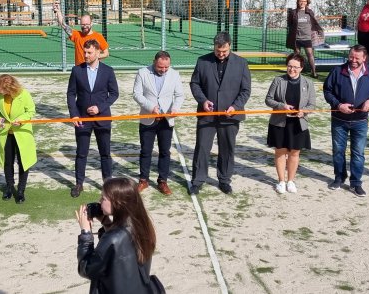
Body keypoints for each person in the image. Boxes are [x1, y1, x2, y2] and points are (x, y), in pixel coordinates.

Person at [189, 32, 251, 195]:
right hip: (207, 115)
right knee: (202, 147)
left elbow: (245, 90)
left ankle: (224, 180)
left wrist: (235, 106)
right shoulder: (202, 61)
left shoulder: (242, 63)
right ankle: (198, 180)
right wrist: (203, 101)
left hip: (230, 116)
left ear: (229, 45)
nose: (221, 54)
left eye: (224, 51)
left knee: (227, 148)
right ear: (214, 46)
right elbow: (195, 84)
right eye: (218, 51)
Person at [75, 177, 157, 294]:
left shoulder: (113, 238)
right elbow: (119, 252)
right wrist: (106, 222)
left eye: (103, 198)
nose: (99, 200)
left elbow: (87, 269)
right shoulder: (142, 224)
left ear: (117, 203)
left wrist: (86, 233)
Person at [323, 45, 369, 197]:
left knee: (358, 153)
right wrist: (338, 105)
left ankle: (356, 183)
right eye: (351, 57)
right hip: (339, 119)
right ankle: (339, 177)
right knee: (338, 151)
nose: (353, 60)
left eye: (357, 58)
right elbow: (327, 91)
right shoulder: (337, 71)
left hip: (360, 120)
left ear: (365, 58)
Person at [67, 39, 119, 198]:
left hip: (102, 118)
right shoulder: (77, 71)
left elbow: (114, 94)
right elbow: (71, 94)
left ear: (97, 52)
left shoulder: (108, 71)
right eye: (85, 52)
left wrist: (100, 107)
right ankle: (79, 183)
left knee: (105, 153)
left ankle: (107, 184)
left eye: (89, 52)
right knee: (81, 153)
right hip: (82, 119)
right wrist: (74, 114)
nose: (86, 55)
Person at [133, 50, 184, 195]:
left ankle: (162, 181)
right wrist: (150, 107)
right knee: (145, 151)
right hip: (148, 118)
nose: (164, 70)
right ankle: (143, 180)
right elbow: (136, 94)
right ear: (154, 62)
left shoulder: (174, 74)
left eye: (166, 67)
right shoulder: (142, 72)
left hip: (166, 120)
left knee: (165, 151)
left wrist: (175, 108)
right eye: (160, 67)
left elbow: (180, 95)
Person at [265, 53, 316, 194]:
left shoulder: (308, 83)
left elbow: (312, 105)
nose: (291, 69)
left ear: (301, 68)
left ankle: (291, 181)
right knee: (280, 152)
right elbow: (268, 99)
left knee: (294, 153)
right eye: (289, 66)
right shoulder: (278, 80)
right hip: (280, 122)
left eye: (295, 67)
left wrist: (304, 112)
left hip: (298, 123)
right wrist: (282, 106)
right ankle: (281, 181)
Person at [0, 75, 37, 204]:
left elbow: (31, 111)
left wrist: (21, 120)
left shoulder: (24, 94)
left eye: (0, 88)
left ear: (9, 87)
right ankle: (9, 187)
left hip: (22, 134)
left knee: (23, 162)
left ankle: (21, 190)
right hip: (6, 133)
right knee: (7, 162)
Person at [286, 0, 324, 78]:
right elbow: (290, 24)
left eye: (304, 1)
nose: (302, 3)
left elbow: (314, 22)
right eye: (301, 1)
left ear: (307, 3)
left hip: (307, 38)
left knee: (310, 54)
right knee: (296, 55)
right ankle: (295, 72)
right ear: (298, 2)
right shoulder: (293, 12)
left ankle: (313, 72)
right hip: (296, 38)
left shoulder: (310, 12)